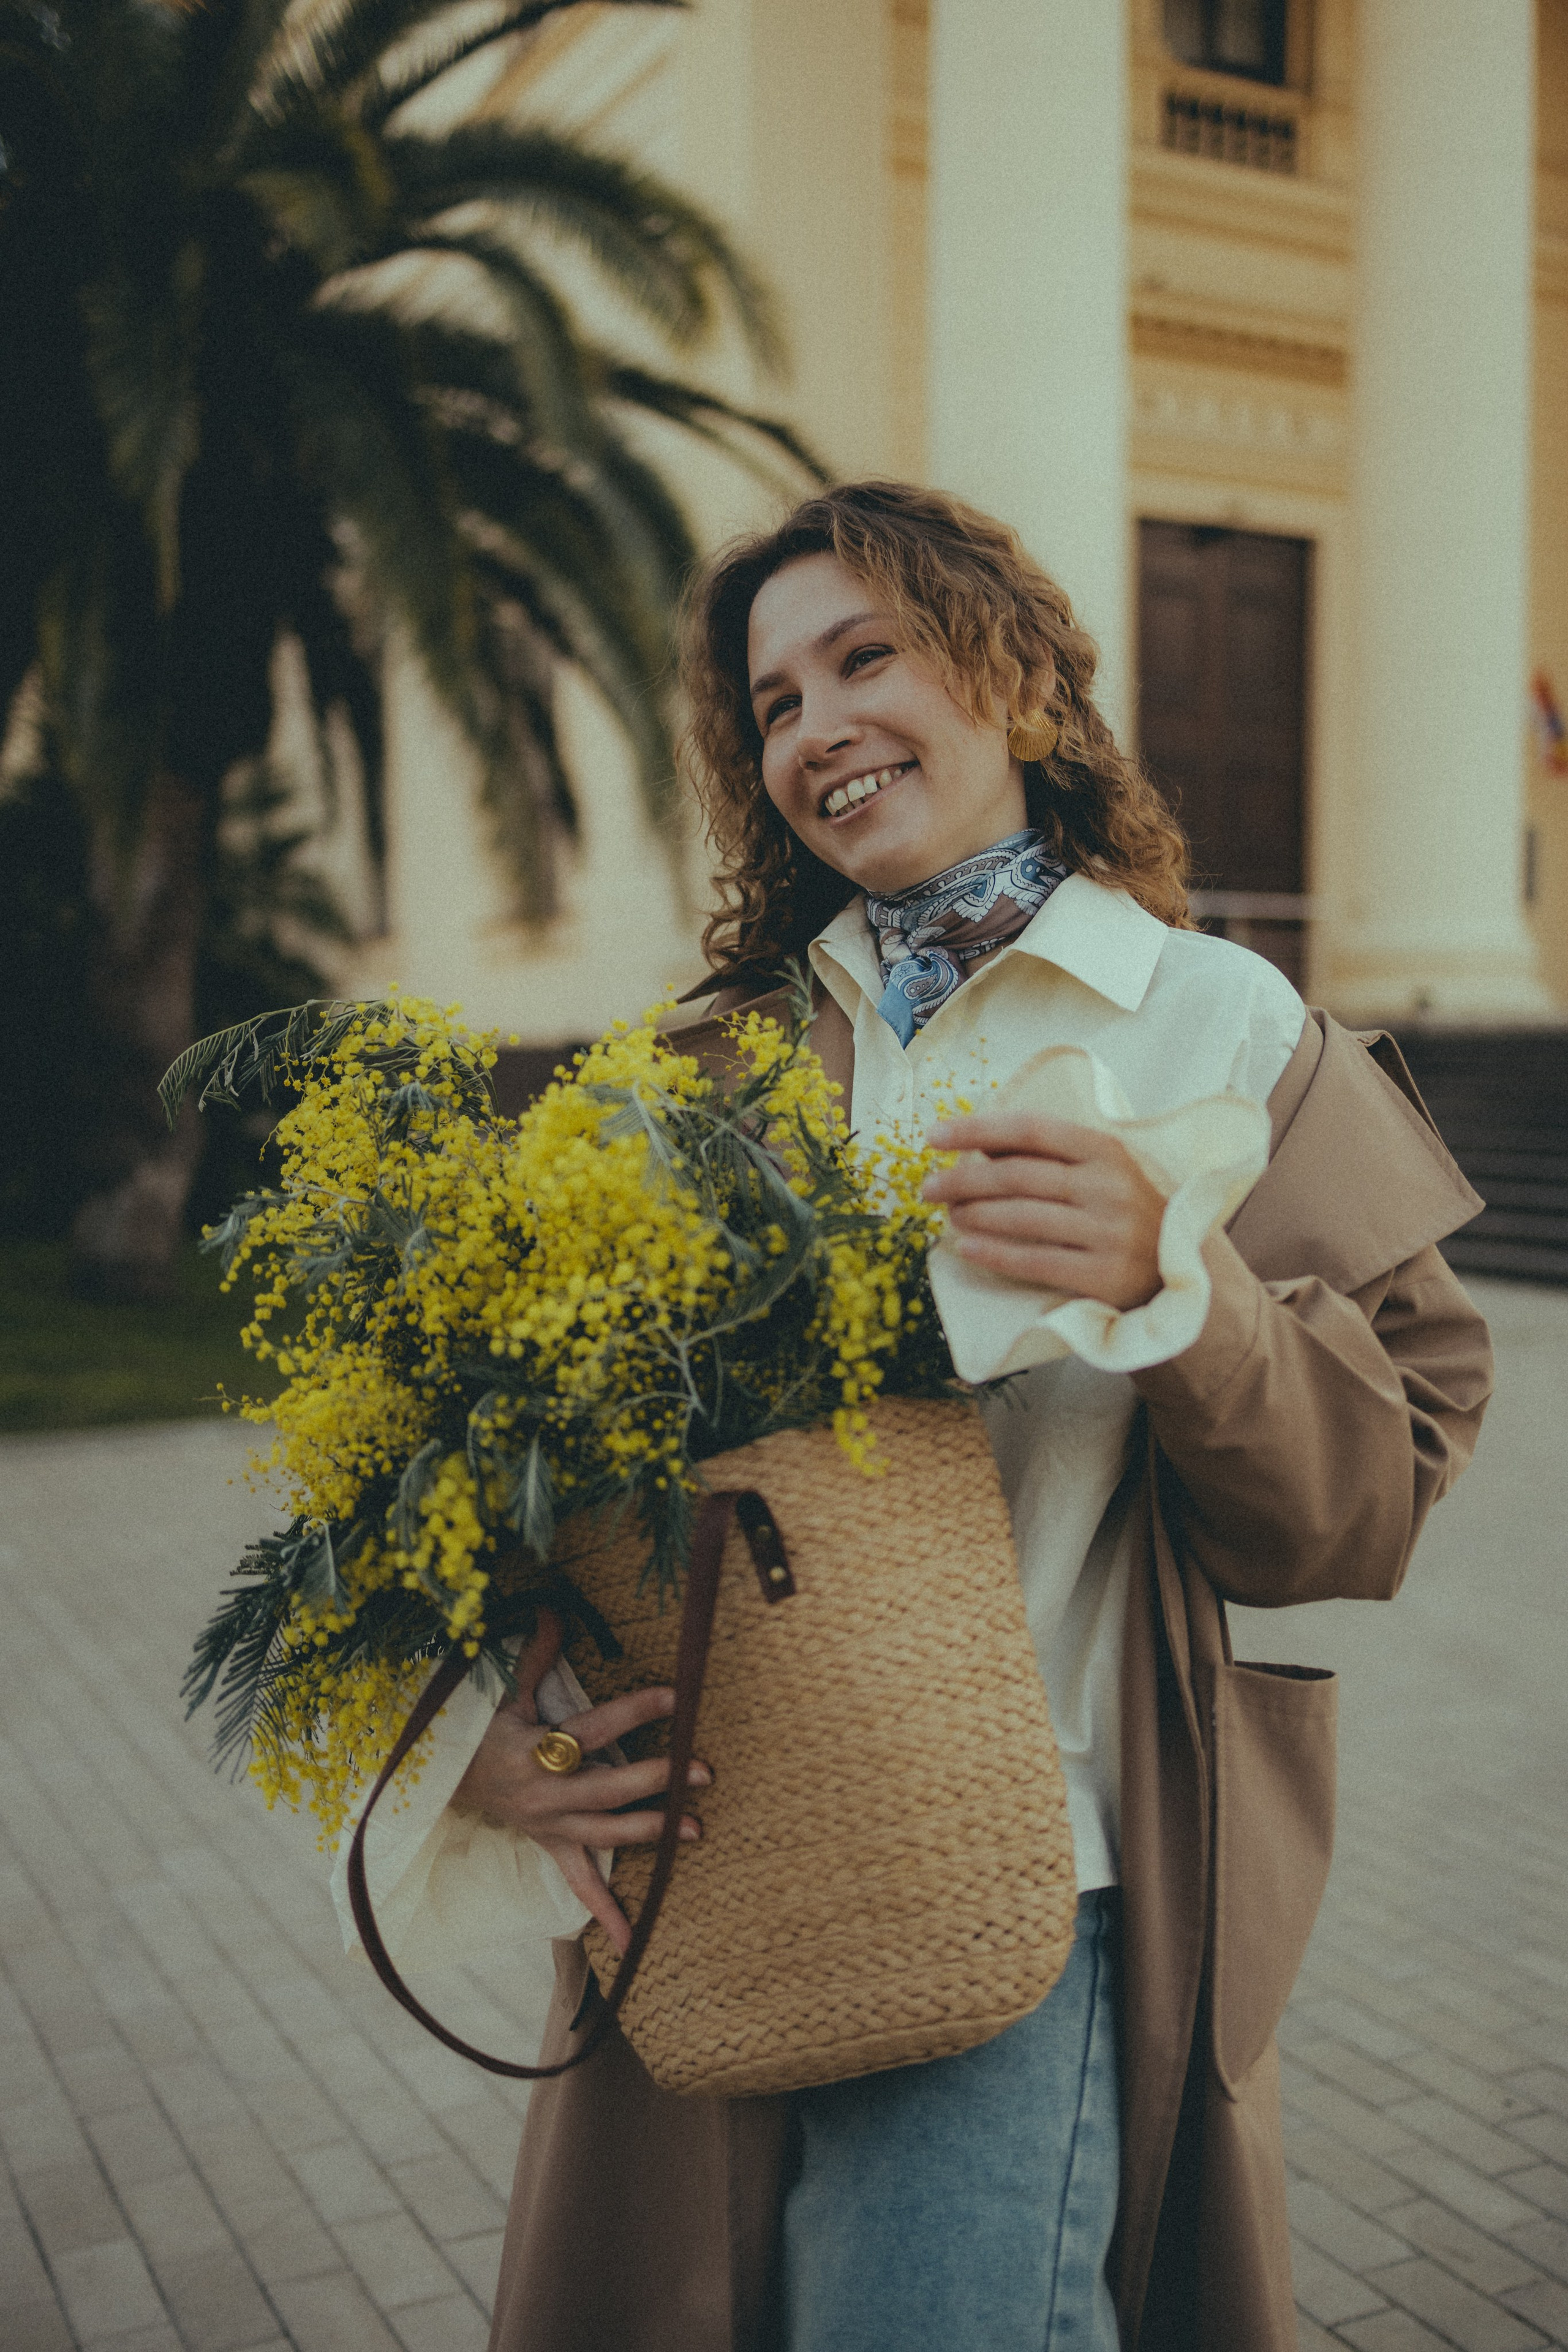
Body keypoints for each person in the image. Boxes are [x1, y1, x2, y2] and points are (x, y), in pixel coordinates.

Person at [336, 481, 1494, 2352]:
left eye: (866, 657)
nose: (818, 728)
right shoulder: (703, 1062)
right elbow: (496, 1486)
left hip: (1029, 1898)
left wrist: (1172, 1296)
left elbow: (1361, 1509)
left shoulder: (1215, 1029)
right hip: (713, 1886)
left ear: (1019, 675)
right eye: (775, 703)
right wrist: (484, 1736)